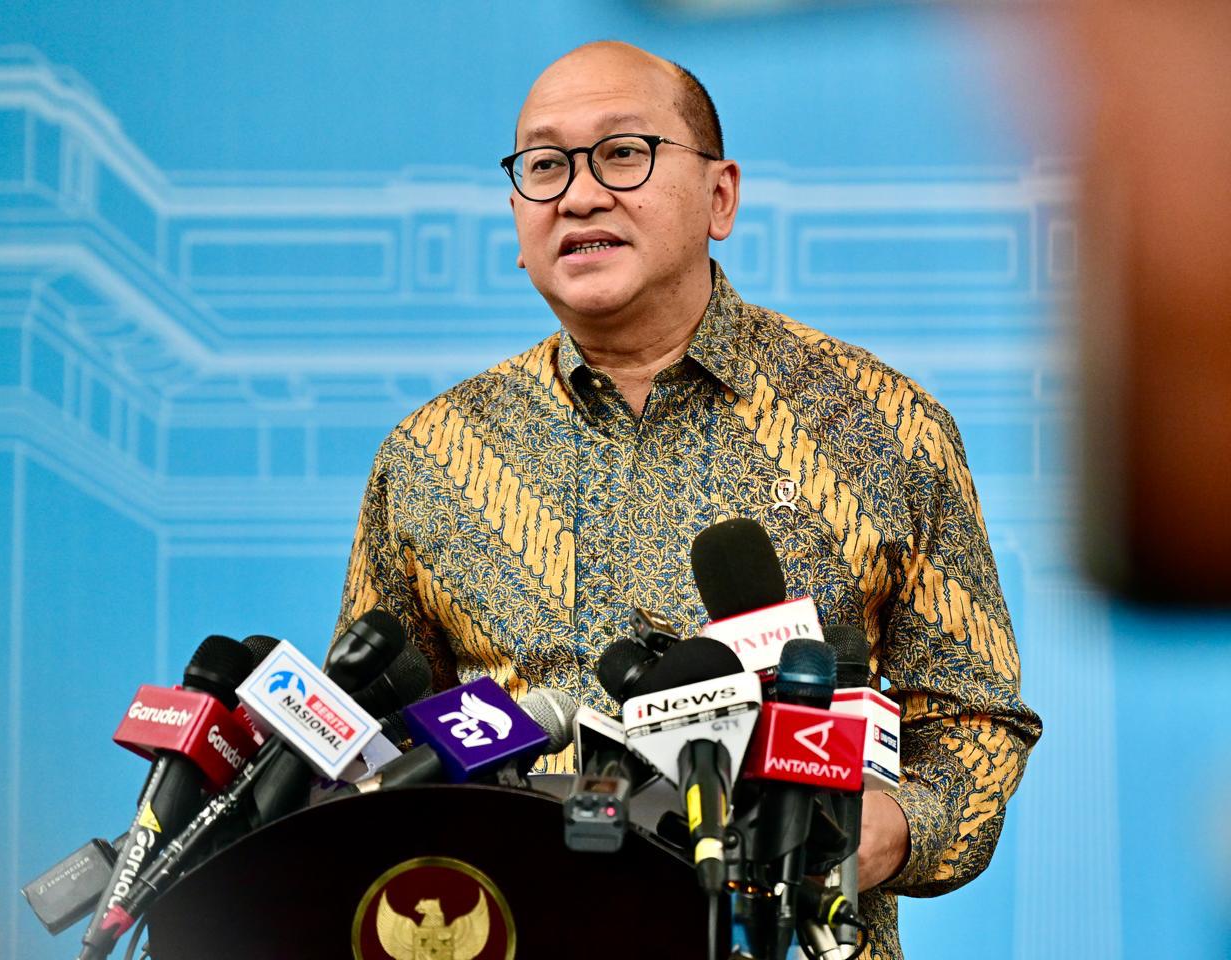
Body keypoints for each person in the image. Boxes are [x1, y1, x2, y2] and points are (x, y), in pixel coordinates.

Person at [334, 40, 1041, 959]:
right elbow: (374, 748)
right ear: (516, 220)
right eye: (544, 166)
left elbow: (973, 715)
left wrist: (891, 827)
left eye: (623, 153)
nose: (579, 196)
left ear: (720, 196)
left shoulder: (882, 426)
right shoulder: (431, 457)